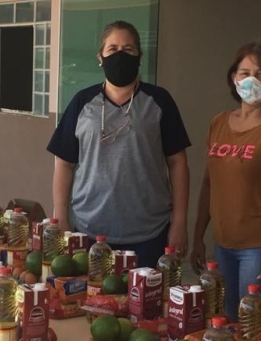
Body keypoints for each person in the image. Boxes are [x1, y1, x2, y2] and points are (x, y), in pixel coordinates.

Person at [47, 20, 191, 269]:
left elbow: (177, 163)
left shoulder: (159, 101)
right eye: (112, 49)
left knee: (146, 305)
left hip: (149, 233)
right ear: (100, 57)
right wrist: (61, 218)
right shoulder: (82, 102)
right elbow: (64, 163)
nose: (120, 55)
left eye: (128, 49)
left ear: (139, 56)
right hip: (90, 230)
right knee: (89, 305)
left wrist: (179, 222)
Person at [190, 41, 261, 320]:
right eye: (244, 73)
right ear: (234, 78)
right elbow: (209, 183)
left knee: (252, 330)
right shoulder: (219, 122)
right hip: (223, 244)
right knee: (225, 324)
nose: (251, 80)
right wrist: (197, 237)